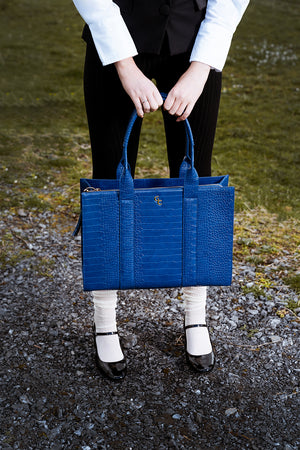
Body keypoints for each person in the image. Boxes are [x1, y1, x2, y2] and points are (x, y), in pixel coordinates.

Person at [72, 0, 249, 380]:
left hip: (193, 46)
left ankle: (196, 318)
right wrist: (124, 64)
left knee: (197, 182)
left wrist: (200, 69)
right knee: (107, 182)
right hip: (116, 40)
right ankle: (105, 322)